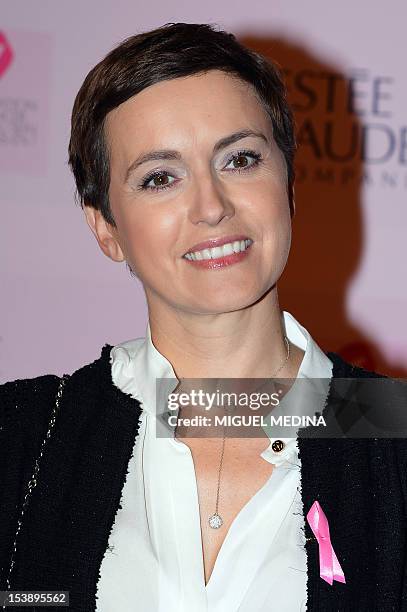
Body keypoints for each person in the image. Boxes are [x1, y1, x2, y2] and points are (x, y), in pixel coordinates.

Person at [0, 22, 406, 612]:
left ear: (288, 186)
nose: (212, 207)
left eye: (240, 159)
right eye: (160, 178)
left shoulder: (392, 435)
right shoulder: (23, 437)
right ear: (106, 228)